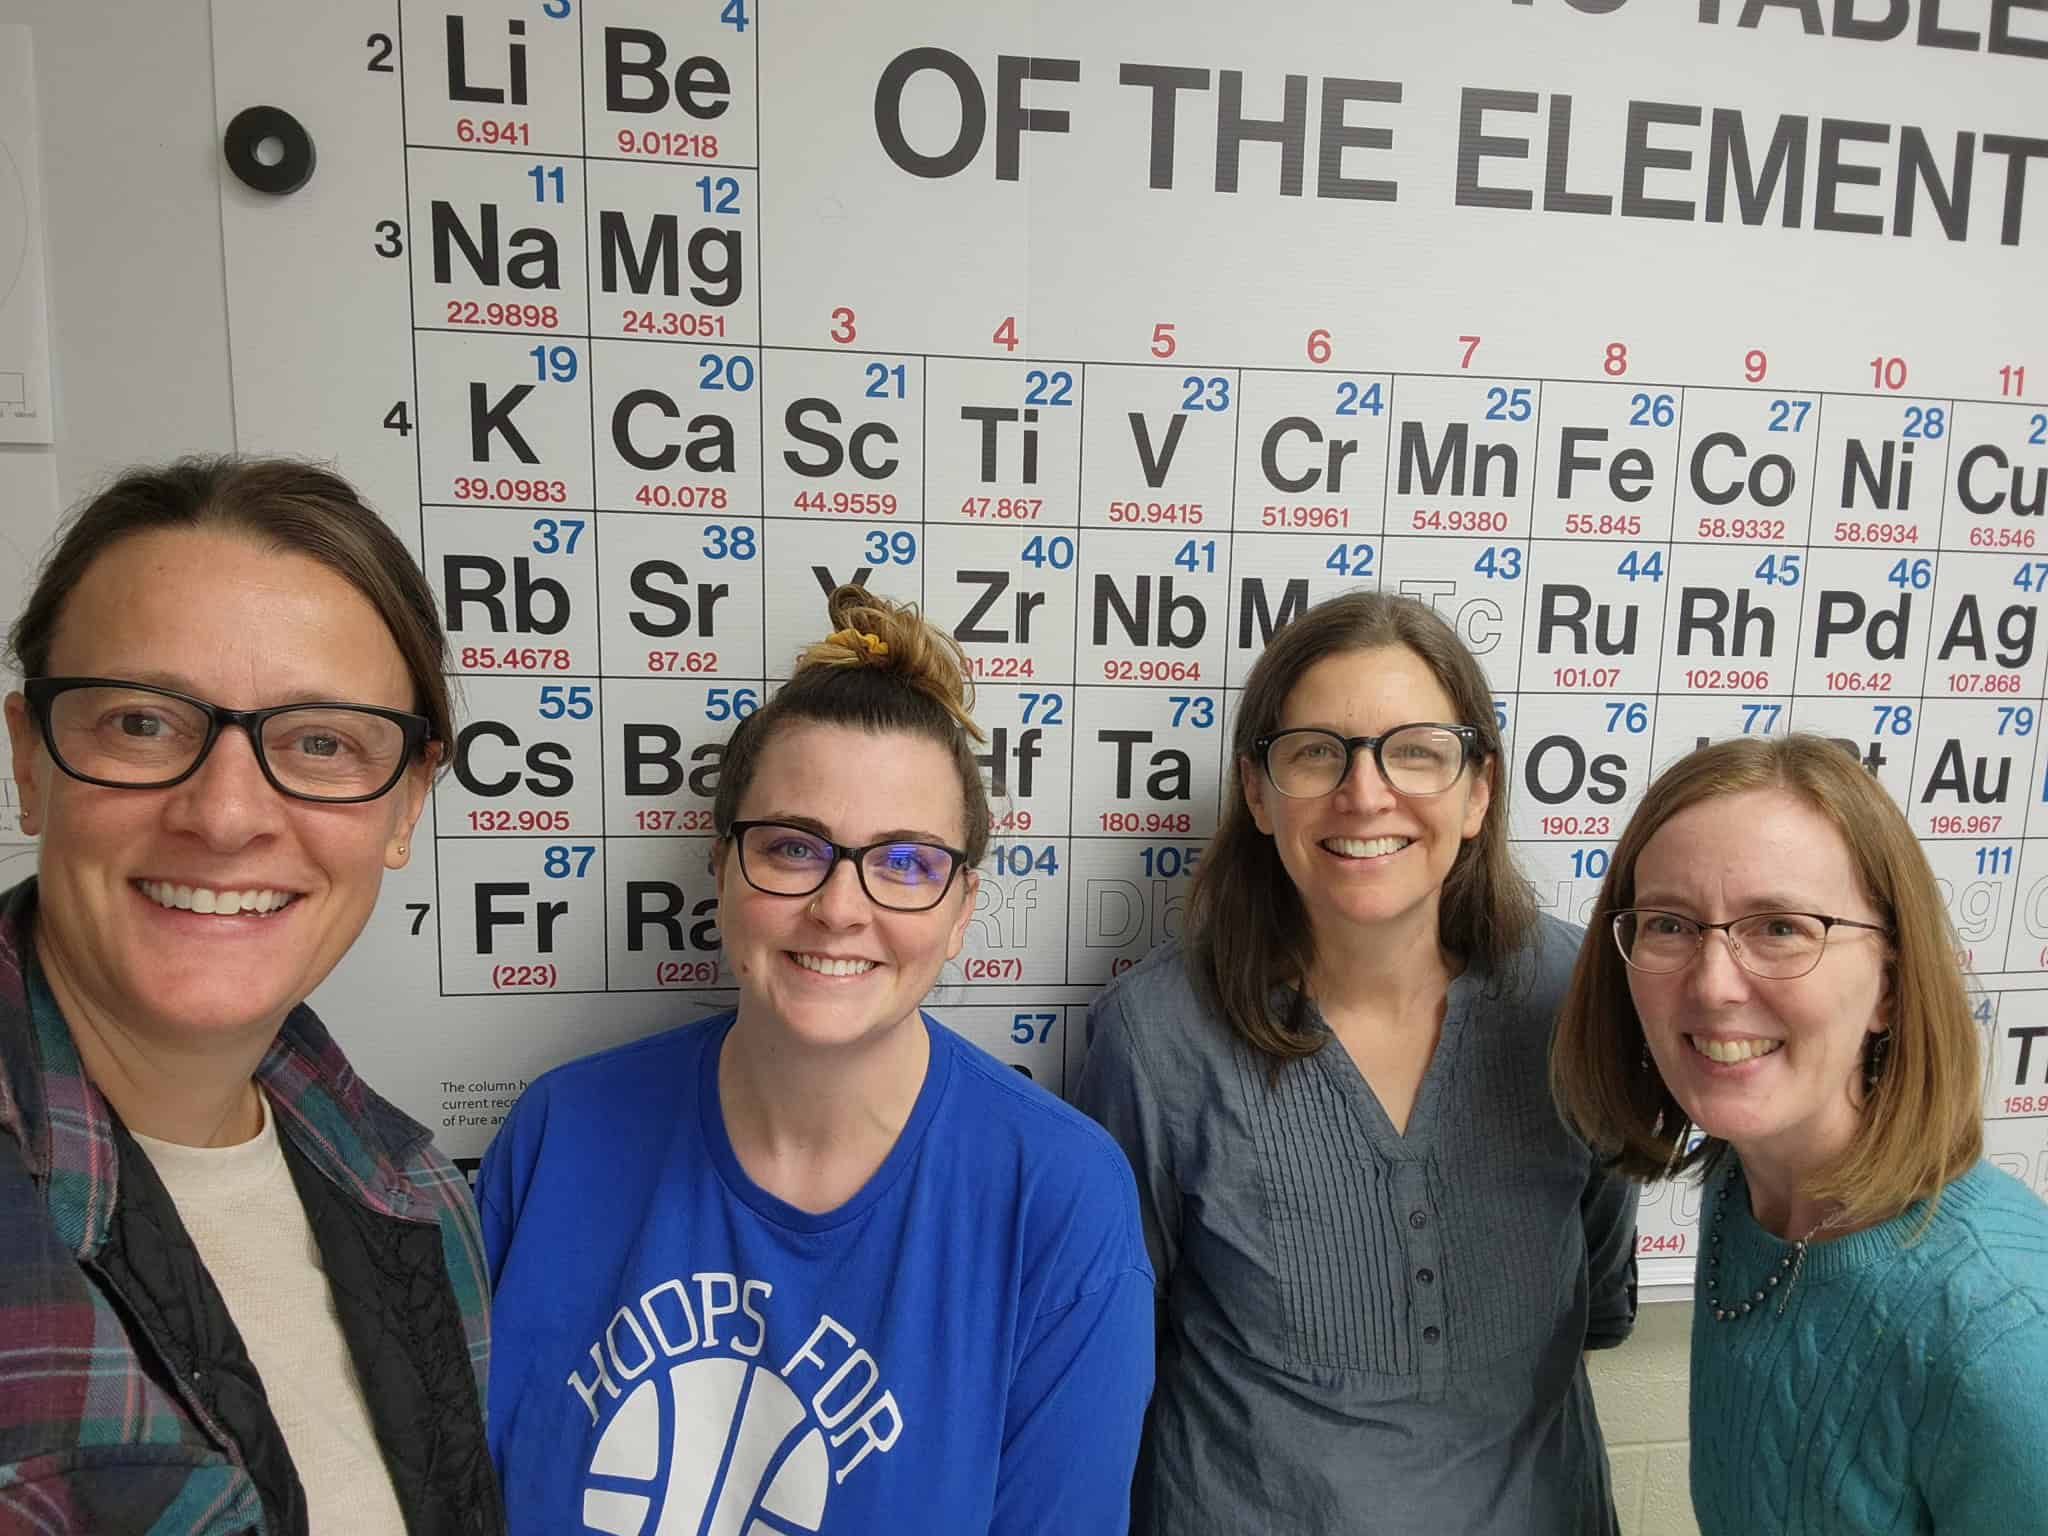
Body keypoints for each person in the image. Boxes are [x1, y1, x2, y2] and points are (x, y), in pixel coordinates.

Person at [480, 585, 1153, 1534]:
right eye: (795, 848)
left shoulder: (1059, 1196)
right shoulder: (558, 1135)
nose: (841, 908)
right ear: (720, 869)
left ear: (963, 910)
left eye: (906, 862)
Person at [0, 458, 502, 1534]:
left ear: (406, 802)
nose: (225, 815)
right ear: (30, 760)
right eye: (141, 723)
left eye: (319, 742)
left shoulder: (416, 1195)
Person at [1075, 591, 1638, 1535]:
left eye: (1415, 750)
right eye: (1315, 753)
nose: (1365, 793)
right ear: (1258, 792)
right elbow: (1112, 1354)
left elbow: (1600, 1295)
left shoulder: (1577, 997)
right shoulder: (1155, 1034)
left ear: (1479, 789)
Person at [1552, 734, 2048, 1534]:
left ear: (1890, 982)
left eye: (1781, 927)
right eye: (1670, 924)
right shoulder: (1742, 1186)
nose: (1713, 985)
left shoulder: (2003, 1334)